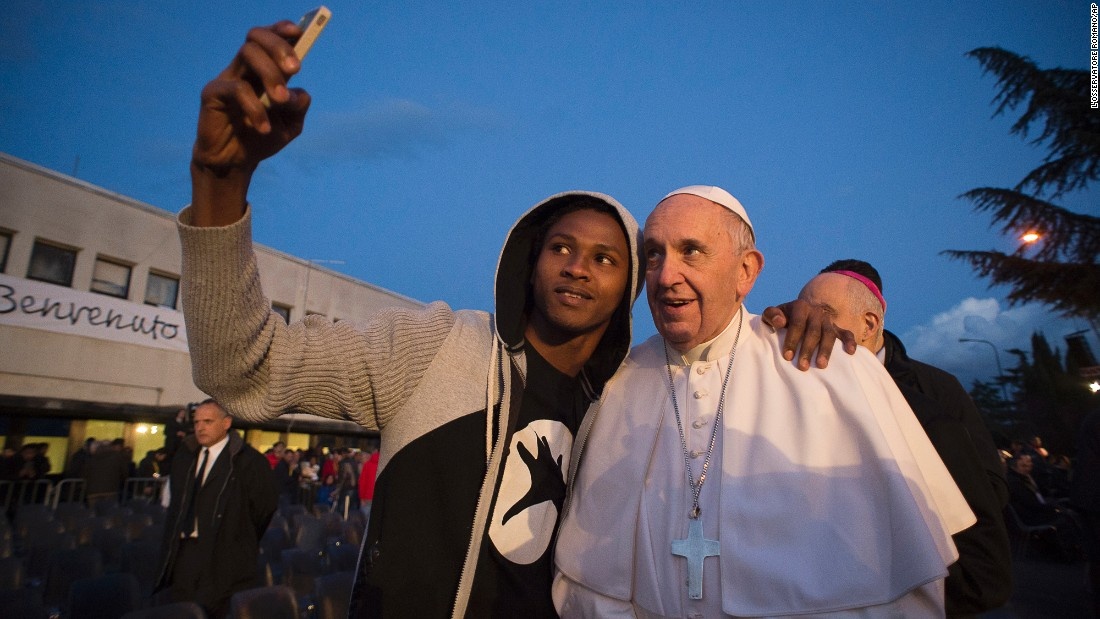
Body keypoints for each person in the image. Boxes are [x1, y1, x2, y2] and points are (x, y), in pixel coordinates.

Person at [178, 20, 846, 617]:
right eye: (561, 248)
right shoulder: (432, 348)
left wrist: (775, 327)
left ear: (629, 287)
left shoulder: (627, 401)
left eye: (606, 258)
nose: (578, 267)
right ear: (530, 261)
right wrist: (218, 183)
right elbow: (243, 371)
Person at [554, 186, 975, 617]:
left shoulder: (835, 368)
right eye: (654, 254)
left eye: (691, 251)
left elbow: (910, 588)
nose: (665, 276)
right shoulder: (616, 380)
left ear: (746, 271)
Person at [798, 260, 1012, 616]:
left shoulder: (935, 393)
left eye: (823, 313)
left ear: (869, 324)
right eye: (801, 312)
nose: (807, 323)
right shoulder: (798, 384)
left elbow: (986, 496)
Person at [155, 399, 277, 618]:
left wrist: (239, 537)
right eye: (197, 422)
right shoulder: (185, 456)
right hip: (185, 554)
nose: (200, 427)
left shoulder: (249, 462)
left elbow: (263, 510)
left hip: (226, 557)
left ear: (226, 423)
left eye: (208, 421)